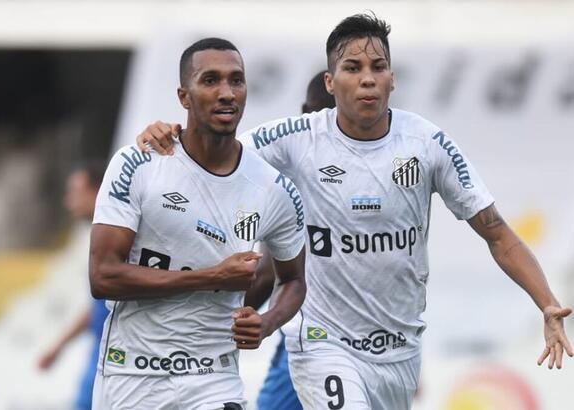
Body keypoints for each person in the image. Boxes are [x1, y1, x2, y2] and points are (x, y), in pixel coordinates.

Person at [136, 13, 572, 410]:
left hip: (400, 351)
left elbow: (496, 232)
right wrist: (166, 135)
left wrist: (548, 304)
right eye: (353, 68)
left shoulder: (426, 144)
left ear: (393, 79)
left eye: (377, 68)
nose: (367, 79)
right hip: (323, 342)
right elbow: (211, 155)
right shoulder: (295, 138)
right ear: (330, 82)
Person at [89, 38, 306, 410]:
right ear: (183, 96)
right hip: (131, 376)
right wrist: (212, 278)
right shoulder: (137, 164)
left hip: (213, 380)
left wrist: (268, 322)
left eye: (236, 80)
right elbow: (103, 277)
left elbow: (294, 279)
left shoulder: (274, 189)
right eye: (210, 80)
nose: (226, 92)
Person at [247, 70, 335, 410]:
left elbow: (268, 275)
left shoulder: (289, 183)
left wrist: (210, 324)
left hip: (309, 344)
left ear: (303, 112)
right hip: (373, 346)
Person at [38, 163, 108, 410]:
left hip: (120, 358)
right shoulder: (95, 238)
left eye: (76, 192)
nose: (69, 202)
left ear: (98, 190)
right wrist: (59, 346)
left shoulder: (124, 237)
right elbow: (98, 304)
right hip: (98, 354)